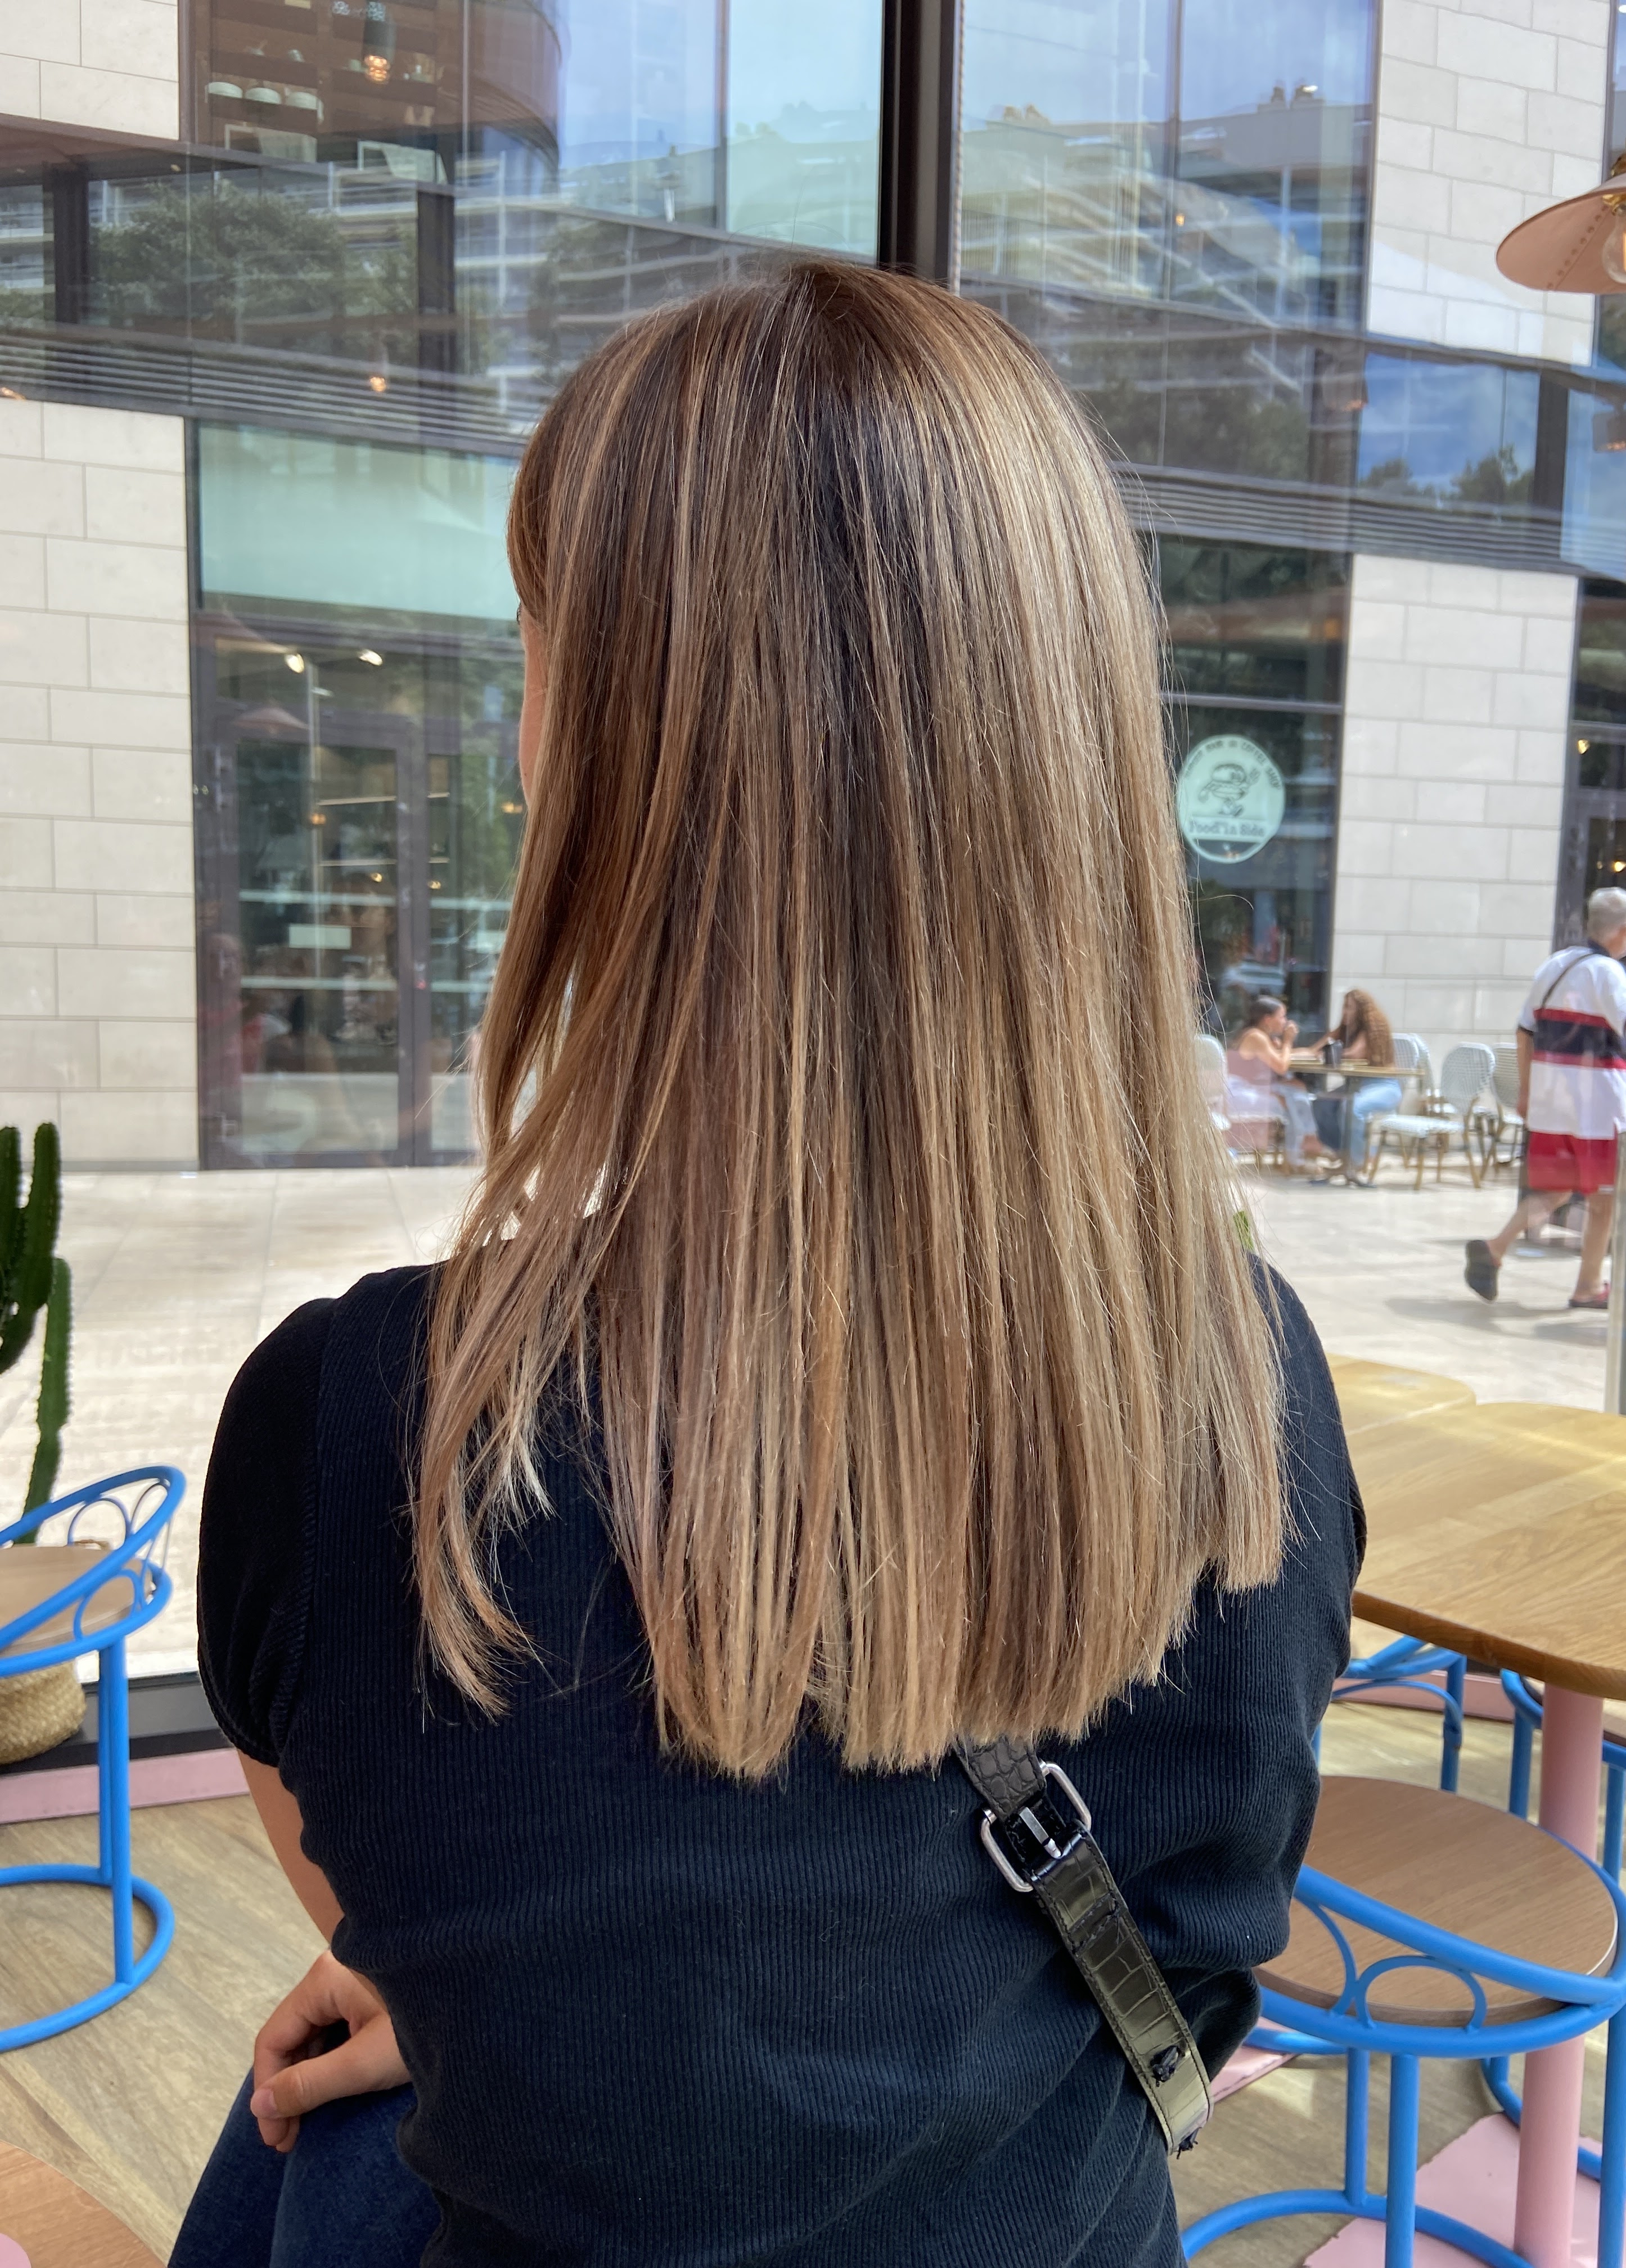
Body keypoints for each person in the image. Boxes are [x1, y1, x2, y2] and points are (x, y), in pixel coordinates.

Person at [173, 263, 1361, 2268]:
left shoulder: (363, 1431)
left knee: (297, 2140)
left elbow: (390, 1900)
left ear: (587, 754)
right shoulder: (1240, 1383)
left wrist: (505, 2005)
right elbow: (1188, 1966)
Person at [1465, 886, 1626, 1309]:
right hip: (1596, 1107)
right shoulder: (1606, 971)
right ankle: (1588, 1286)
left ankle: (1496, 1247)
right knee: (1605, 1197)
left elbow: (1524, 1032)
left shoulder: (1554, 965)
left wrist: (1527, 1090)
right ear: (1624, 930)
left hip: (1552, 1103)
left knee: (1557, 1189)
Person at [1310, 989, 1402, 1185]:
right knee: (1321, 1104)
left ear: (1361, 1011)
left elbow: (1354, 1054)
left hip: (1383, 1086)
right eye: (1344, 1007)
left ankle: (1356, 1163)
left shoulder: (1371, 1030)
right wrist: (1290, 1052)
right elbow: (1315, 1050)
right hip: (1356, 1085)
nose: (1345, 1012)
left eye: (1349, 1008)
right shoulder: (1343, 1031)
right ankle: (1344, 1154)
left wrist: (1328, 1053)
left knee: (1353, 1108)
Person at [1228, 994, 1321, 1167]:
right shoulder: (1256, 1037)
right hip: (1239, 1094)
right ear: (1268, 1020)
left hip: (1251, 1088)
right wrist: (1288, 1041)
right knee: (1290, 1101)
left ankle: (1304, 1144)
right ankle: (1296, 1155)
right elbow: (1281, 1067)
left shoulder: (1260, 1036)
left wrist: (1311, 1051)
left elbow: (1283, 1056)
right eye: (1282, 1017)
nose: (1286, 1022)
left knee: (1298, 1089)